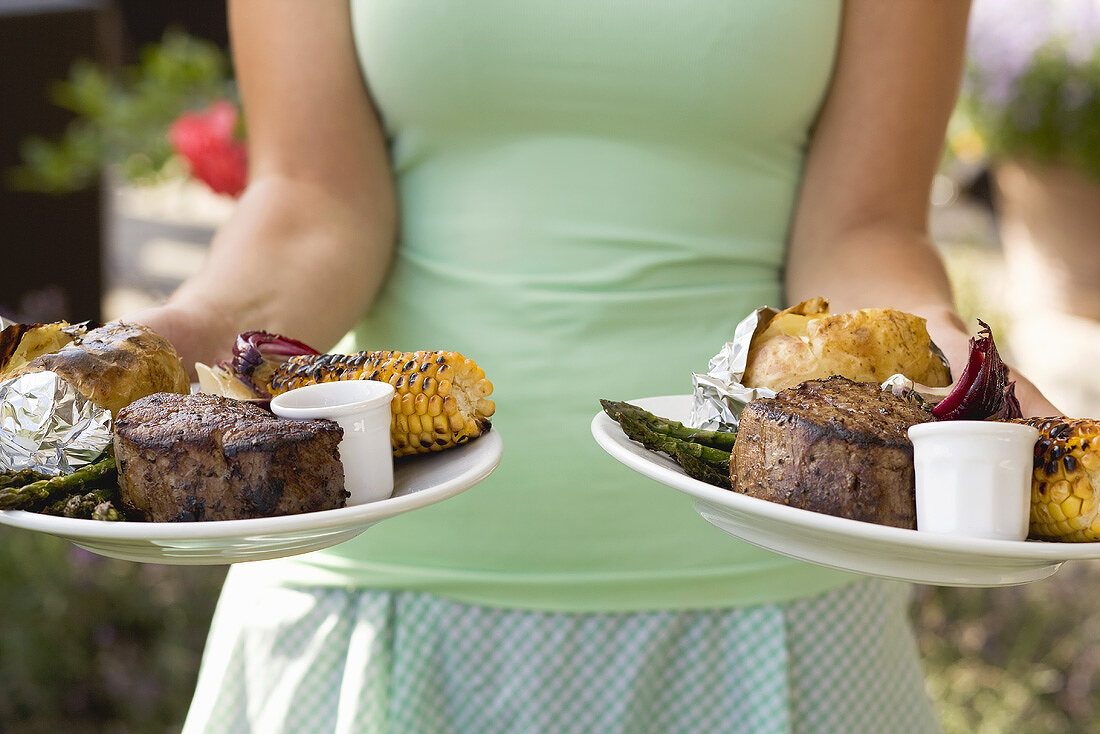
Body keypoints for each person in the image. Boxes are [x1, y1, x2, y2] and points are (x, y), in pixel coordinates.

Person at [136, 1, 1058, 732]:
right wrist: (185, 332)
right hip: (375, 601)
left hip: (770, 606)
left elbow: (864, 226)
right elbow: (312, 198)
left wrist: (947, 356)